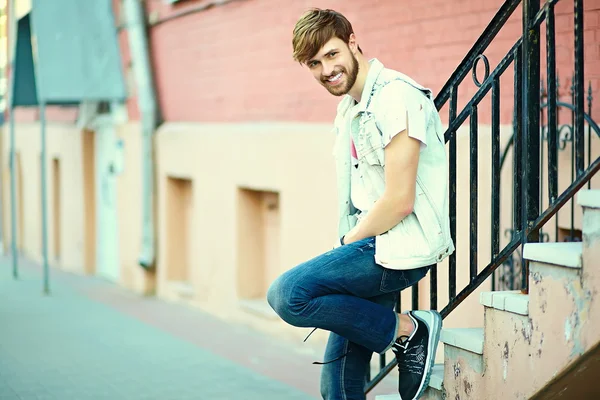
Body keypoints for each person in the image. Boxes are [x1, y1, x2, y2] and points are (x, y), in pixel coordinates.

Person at [267, 8, 454, 400]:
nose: (326, 70)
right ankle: (400, 331)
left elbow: (400, 200)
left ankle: (408, 330)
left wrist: (348, 242)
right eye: (314, 63)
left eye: (332, 54)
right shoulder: (349, 109)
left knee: (289, 295)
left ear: (352, 42)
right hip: (371, 244)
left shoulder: (397, 97)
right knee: (337, 387)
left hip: (394, 247)